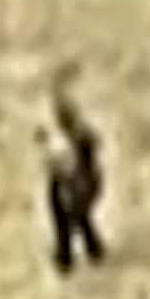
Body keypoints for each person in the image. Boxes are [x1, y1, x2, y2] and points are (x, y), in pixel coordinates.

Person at [41, 68, 106, 272]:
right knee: (77, 219)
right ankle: (85, 251)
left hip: (74, 185)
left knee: (70, 219)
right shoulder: (74, 137)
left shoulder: (75, 139)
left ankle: (70, 256)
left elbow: (70, 163)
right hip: (74, 185)